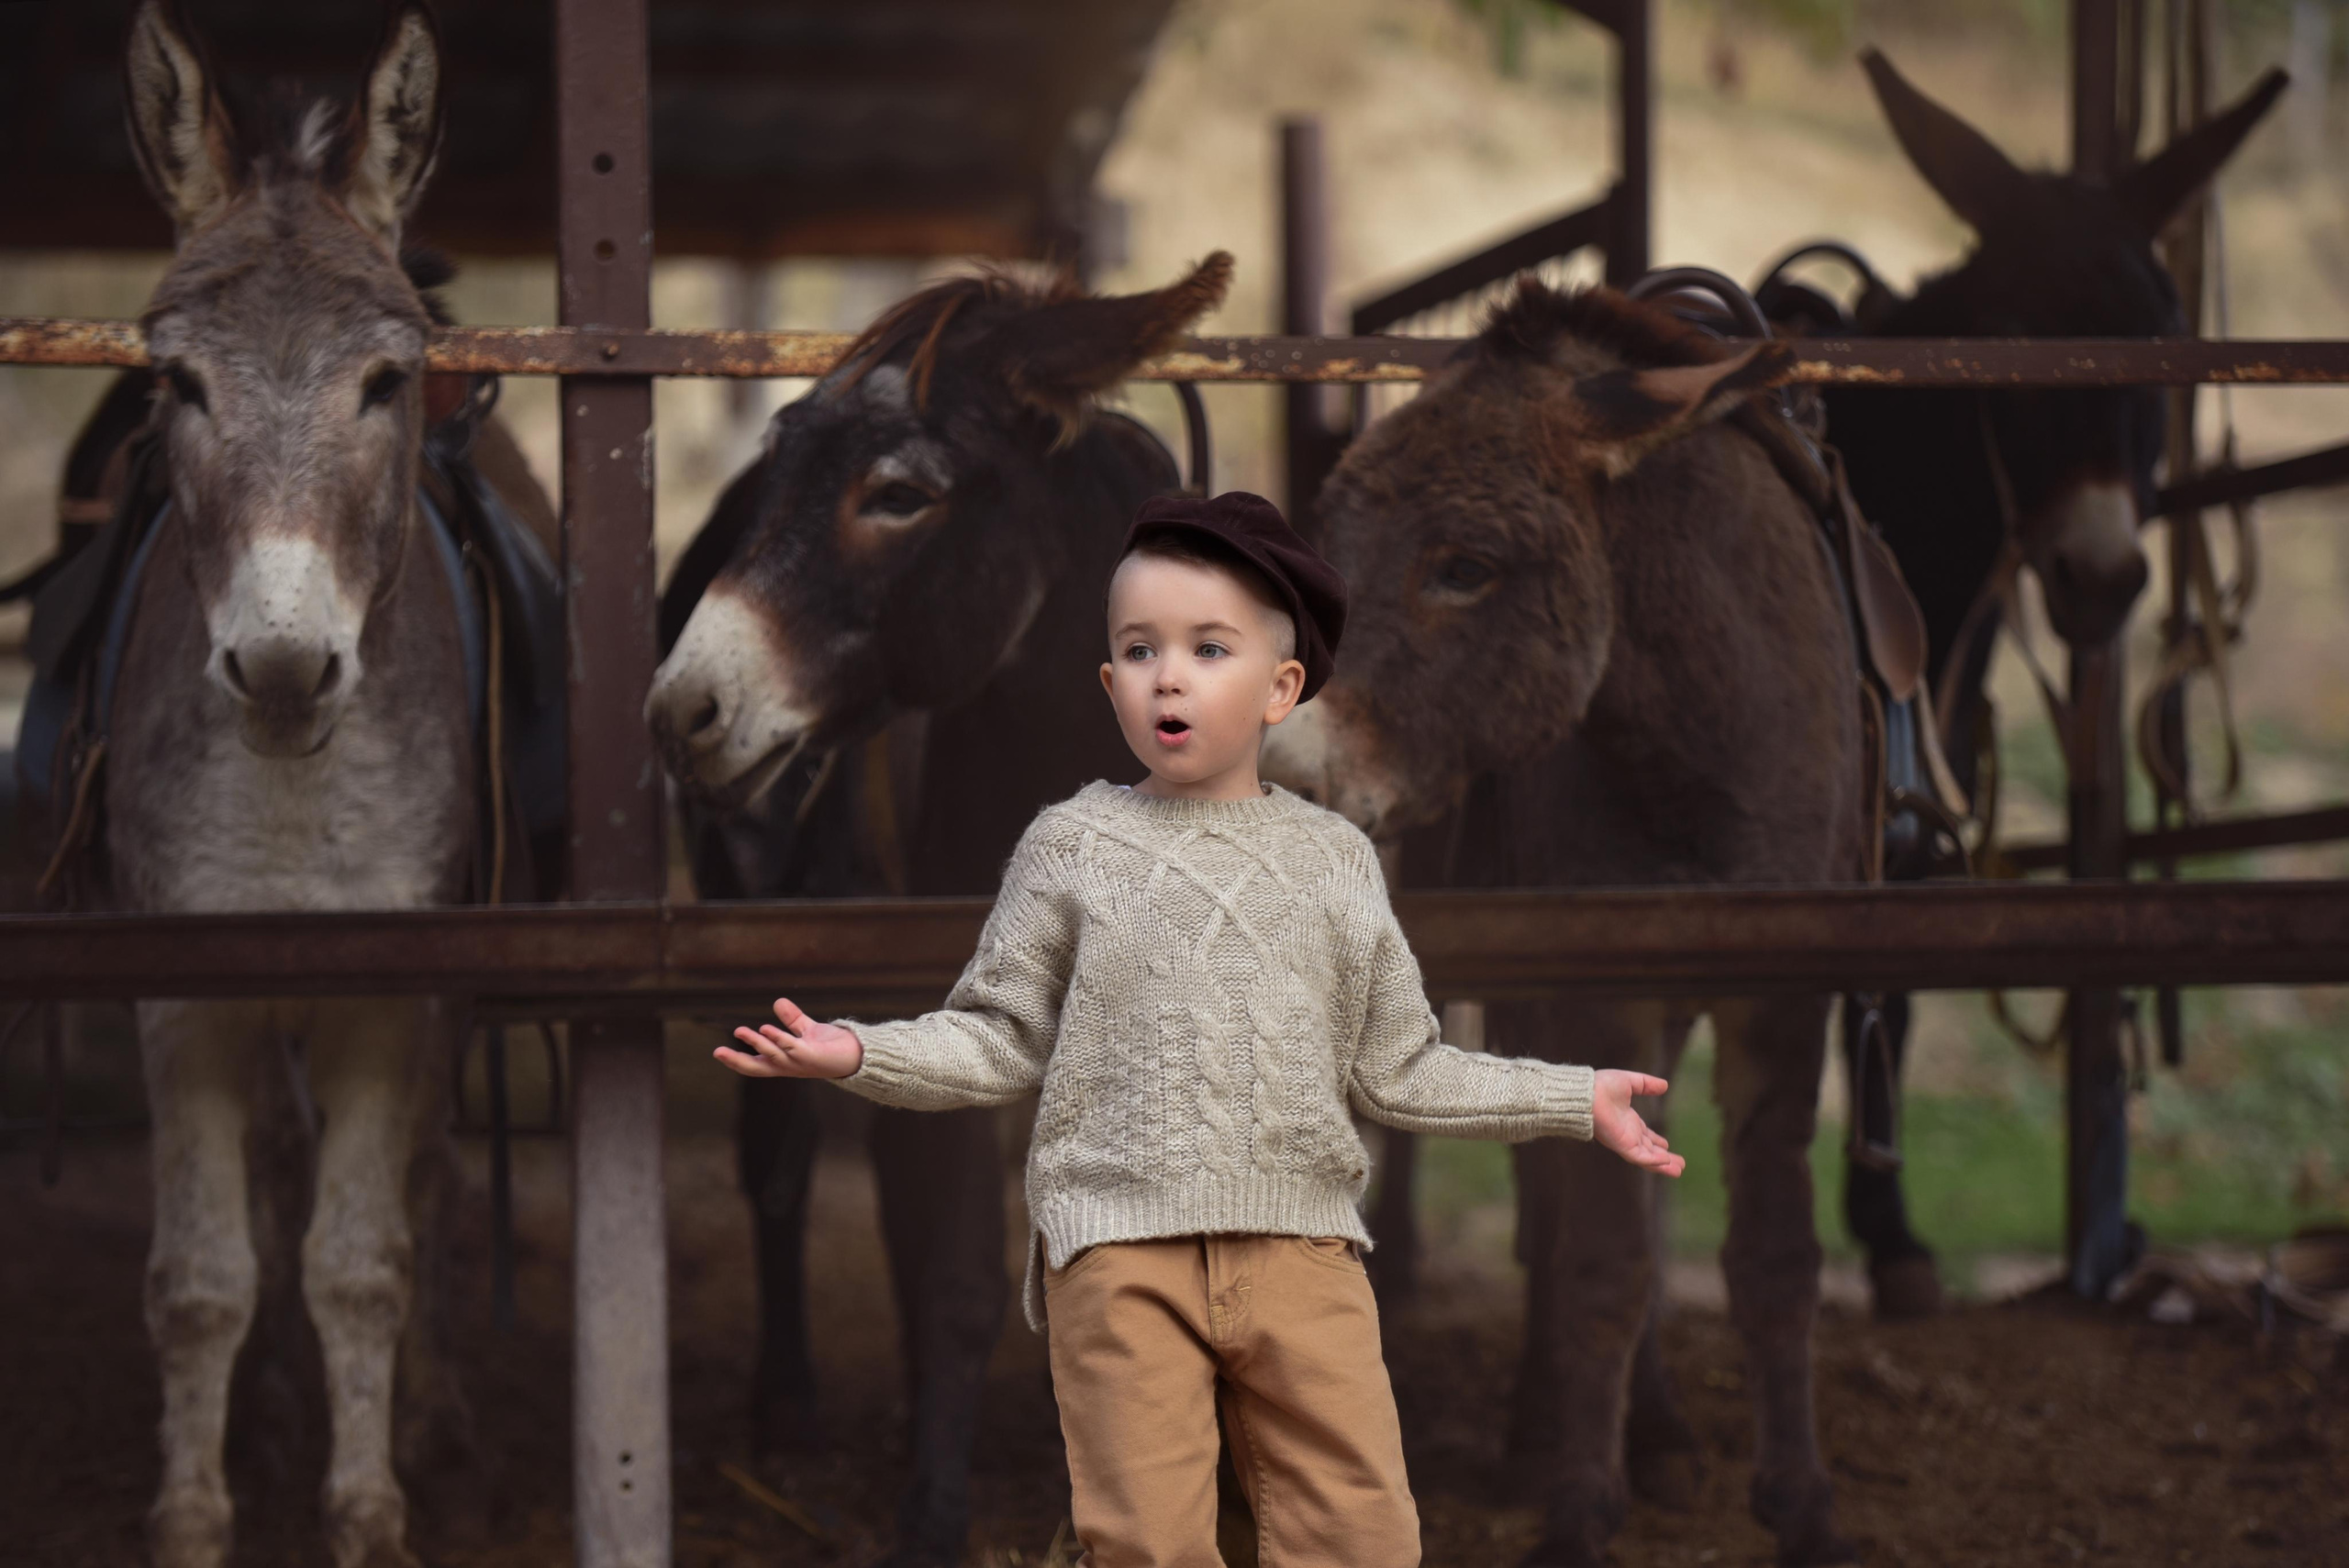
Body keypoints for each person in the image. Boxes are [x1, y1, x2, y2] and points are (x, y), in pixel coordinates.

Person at [717, 490, 1683, 1568]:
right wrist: (859, 1050)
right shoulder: (1069, 846)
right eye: (1138, 649)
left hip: (1303, 1257)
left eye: (1207, 647)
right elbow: (995, 1037)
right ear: (1108, 685)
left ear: (1283, 690)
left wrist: (1572, 1094)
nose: (1167, 673)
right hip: (1122, 1261)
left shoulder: (1333, 860)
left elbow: (1403, 1067)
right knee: (1150, 1542)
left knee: (1362, 1536)